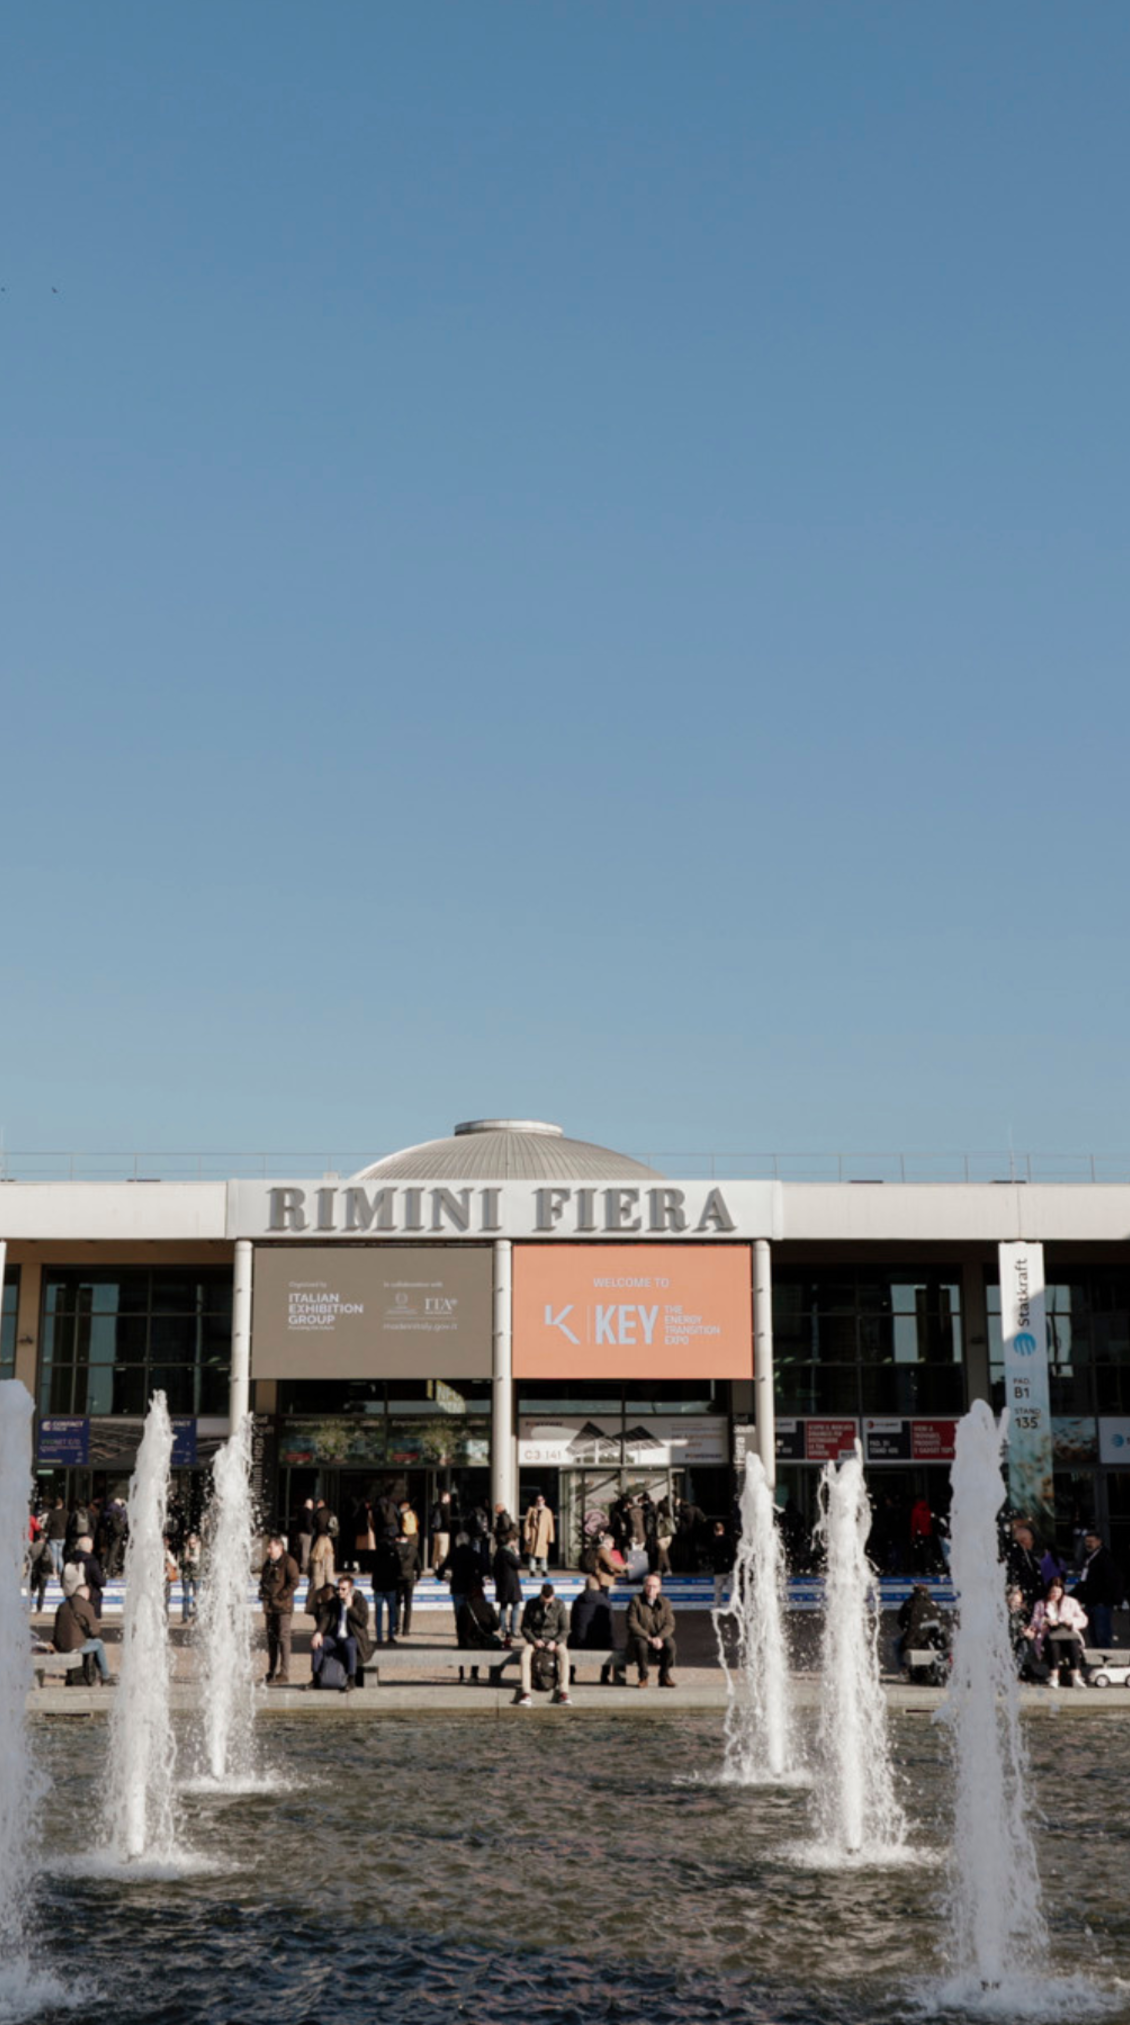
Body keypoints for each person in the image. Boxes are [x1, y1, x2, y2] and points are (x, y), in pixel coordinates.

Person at [310, 1574, 372, 1692]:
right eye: (338, 1588)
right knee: (317, 1645)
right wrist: (318, 1633)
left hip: (353, 1637)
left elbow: (363, 1622)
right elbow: (326, 1618)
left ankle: (351, 1680)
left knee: (349, 1645)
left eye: (343, 1589)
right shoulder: (335, 1601)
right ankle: (316, 1679)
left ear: (351, 1589)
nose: (339, 1592)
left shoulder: (360, 1601)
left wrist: (350, 1608)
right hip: (336, 1637)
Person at [54, 1567, 113, 1685]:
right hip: (74, 1645)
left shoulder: (62, 1606)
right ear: (86, 1595)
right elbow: (96, 1630)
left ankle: (81, 1675)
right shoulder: (85, 1606)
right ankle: (105, 1676)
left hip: (59, 1645)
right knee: (98, 1644)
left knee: (86, 1642)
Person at [515, 1582, 571, 1707]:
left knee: (564, 1656)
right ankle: (526, 1692)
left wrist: (555, 1642)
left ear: (553, 1596)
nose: (547, 1604)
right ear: (540, 1595)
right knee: (524, 1657)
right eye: (544, 1601)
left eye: (549, 1601)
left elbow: (565, 1629)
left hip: (554, 1639)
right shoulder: (531, 1604)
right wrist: (534, 1640)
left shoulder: (559, 1605)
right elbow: (525, 1627)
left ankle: (564, 1691)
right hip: (536, 1639)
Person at [1026, 1576, 1089, 1687]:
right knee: (1053, 1645)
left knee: (1073, 1644)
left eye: (1058, 1592)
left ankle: (1076, 1676)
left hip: (1068, 1633)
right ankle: (1054, 1676)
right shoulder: (1041, 1604)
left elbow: (1083, 1619)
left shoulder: (1071, 1602)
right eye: (1052, 1592)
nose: (1055, 1595)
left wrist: (1070, 1621)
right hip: (1049, 1635)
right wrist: (1045, 1621)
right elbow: (1034, 1621)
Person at [259, 1534, 301, 1685]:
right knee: (272, 1641)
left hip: (283, 1608)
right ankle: (271, 1672)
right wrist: (263, 1593)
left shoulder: (289, 1562)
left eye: (271, 1547)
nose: (268, 1550)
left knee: (283, 1639)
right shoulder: (267, 1564)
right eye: (268, 1547)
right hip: (270, 1608)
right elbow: (263, 1581)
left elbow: (295, 1582)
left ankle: (284, 1673)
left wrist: (281, 1596)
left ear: (280, 1547)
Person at [1072, 1529, 1123, 1650]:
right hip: (1091, 1602)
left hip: (1101, 1603)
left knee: (1102, 1634)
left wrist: (1112, 1598)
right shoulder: (1089, 1558)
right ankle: (1100, 1659)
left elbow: (1113, 1580)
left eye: (1091, 1541)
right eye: (1087, 1541)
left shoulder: (1105, 1558)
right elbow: (1084, 1581)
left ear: (1099, 1542)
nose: (1088, 1544)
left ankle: (1106, 1660)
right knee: (1094, 1634)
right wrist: (1074, 1595)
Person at [626, 1572, 677, 1687]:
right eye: (648, 1585)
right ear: (644, 1586)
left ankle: (664, 1675)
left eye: (654, 1586)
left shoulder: (665, 1603)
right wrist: (648, 1638)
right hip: (641, 1638)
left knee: (670, 1644)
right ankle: (643, 1677)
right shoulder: (636, 1601)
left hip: (659, 1639)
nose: (651, 1589)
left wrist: (659, 1638)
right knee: (641, 1644)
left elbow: (670, 1624)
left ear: (659, 1588)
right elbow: (632, 1623)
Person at [455, 1574, 502, 1683]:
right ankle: (491, 1675)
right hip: (483, 1643)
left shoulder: (464, 1608)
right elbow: (496, 1626)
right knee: (495, 1644)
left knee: (469, 1640)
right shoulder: (487, 1606)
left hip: (466, 1643)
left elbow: (459, 1628)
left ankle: (464, 1675)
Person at [491, 1528, 524, 1643]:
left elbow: (494, 1569)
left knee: (503, 1607)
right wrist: (518, 1555)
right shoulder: (509, 1554)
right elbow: (518, 1565)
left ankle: (503, 1629)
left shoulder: (498, 1553)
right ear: (511, 1541)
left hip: (502, 1584)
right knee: (515, 1607)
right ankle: (514, 1629)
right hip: (512, 1585)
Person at [66, 1535, 106, 1622]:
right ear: (91, 1547)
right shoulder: (92, 1562)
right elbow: (101, 1582)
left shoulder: (70, 1560)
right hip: (91, 1598)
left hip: (72, 1596)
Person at [1007, 1521, 1044, 1614]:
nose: (1032, 1542)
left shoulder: (1028, 1557)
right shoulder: (1017, 1558)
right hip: (1022, 1602)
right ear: (1023, 1541)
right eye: (1030, 1539)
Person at [371, 1532, 401, 1646]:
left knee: (378, 1613)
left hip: (378, 1586)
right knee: (392, 1612)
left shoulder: (376, 1554)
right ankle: (390, 1635)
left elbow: (371, 1567)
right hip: (390, 1586)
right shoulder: (393, 1553)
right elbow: (398, 1569)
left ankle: (379, 1636)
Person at [523, 1493, 555, 1577]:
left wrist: (550, 1537)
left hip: (543, 1536)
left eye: (541, 1500)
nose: (539, 1502)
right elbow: (527, 1523)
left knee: (543, 1555)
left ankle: (544, 1570)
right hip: (533, 1534)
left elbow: (550, 1525)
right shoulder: (531, 1509)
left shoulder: (548, 1511)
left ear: (544, 1501)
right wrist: (527, 1534)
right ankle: (532, 1570)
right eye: (538, 1500)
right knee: (532, 1554)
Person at [395, 1528, 420, 1636]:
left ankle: (396, 1627)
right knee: (408, 1605)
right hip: (409, 1578)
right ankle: (406, 1629)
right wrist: (417, 1577)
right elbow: (418, 1565)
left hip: (397, 1579)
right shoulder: (413, 1549)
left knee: (396, 1604)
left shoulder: (394, 1548)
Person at [708, 1520, 734, 1608]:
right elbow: (732, 1554)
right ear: (723, 1529)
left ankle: (717, 1608)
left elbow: (711, 1556)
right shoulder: (728, 1540)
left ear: (714, 1531)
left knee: (718, 1592)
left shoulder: (713, 1542)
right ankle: (734, 1609)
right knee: (732, 1591)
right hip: (728, 1570)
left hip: (718, 1571)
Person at [429, 1490, 453, 1576]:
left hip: (436, 1531)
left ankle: (434, 1566)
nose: (449, 1498)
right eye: (448, 1496)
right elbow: (446, 1520)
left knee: (436, 1549)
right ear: (445, 1497)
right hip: (444, 1532)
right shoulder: (445, 1507)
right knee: (443, 1550)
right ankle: (441, 1567)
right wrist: (450, 1528)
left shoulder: (436, 1505)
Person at [180, 1532, 202, 1623]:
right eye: (190, 1543)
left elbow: (202, 1564)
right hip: (186, 1576)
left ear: (196, 1542)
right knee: (185, 1596)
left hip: (196, 1576)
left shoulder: (199, 1551)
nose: (192, 1545)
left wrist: (194, 1562)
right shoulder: (185, 1551)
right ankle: (185, 1616)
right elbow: (180, 1564)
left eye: (194, 1543)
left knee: (196, 1597)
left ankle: (196, 1616)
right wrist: (186, 1561)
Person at [44, 1496, 68, 1579]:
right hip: (62, 1536)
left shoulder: (52, 1514)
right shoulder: (66, 1513)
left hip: (53, 1536)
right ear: (62, 1504)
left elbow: (48, 1525)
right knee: (60, 1555)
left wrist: (46, 1532)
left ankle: (54, 1572)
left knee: (54, 1555)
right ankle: (61, 1572)